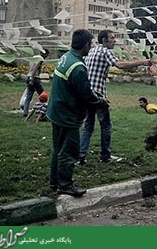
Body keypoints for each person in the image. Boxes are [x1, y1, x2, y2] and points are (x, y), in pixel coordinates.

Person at [47, 29, 109, 197]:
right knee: (69, 151)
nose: (92, 47)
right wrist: (100, 102)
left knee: (57, 148)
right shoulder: (78, 67)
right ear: (86, 45)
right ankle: (65, 185)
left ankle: (54, 182)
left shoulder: (66, 57)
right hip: (67, 115)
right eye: (91, 44)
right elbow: (86, 94)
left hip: (56, 111)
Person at [79, 29, 152, 164]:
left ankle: (81, 156)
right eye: (112, 38)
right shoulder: (106, 51)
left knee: (88, 125)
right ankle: (105, 157)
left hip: (88, 94)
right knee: (105, 125)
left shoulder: (92, 51)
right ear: (104, 40)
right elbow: (120, 65)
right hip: (99, 95)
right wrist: (141, 62)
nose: (115, 40)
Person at [23, 49, 49, 117]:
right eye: (47, 55)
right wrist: (32, 79)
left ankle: (25, 112)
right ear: (45, 54)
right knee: (43, 95)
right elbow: (35, 69)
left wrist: (29, 78)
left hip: (28, 77)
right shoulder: (40, 59)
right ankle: (44, 112)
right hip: (35, 78)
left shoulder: (34, 57)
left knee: (28, 96)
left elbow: (30, 69)